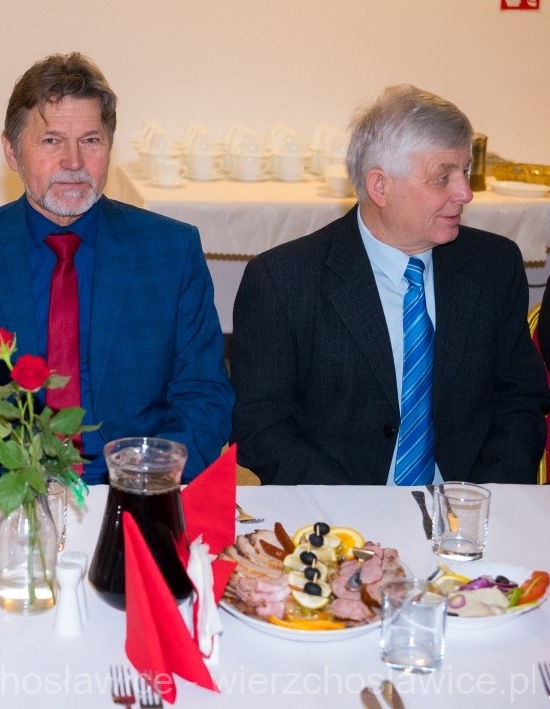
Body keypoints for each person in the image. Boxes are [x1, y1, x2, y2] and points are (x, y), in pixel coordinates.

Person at [0, 52, 233, 483]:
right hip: (7, 493)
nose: (74, 162)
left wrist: (142, 484)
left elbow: (204, 400)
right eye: (52, 141)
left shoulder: (170, 251)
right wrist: (17, 491)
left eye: (91, 140)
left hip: (136, 490)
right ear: (11, 151)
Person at [231, 84, 550, 485]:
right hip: (336, 507)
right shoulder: (284, 281)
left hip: (468, 500)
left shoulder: (493, 265)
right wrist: (356, 509)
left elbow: (520, 401)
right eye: (443, 177)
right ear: (380, 186)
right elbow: (261, 426)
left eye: (465, 172)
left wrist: (476, 499)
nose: (465, 193)